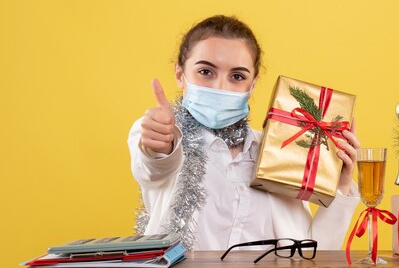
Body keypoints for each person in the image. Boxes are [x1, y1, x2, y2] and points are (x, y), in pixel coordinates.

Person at [128, 15, 361, 251]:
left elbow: (311, 253)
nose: (221, 86)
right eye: (206, 72)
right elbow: (155, 166)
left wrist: (340, 185)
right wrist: (161, 147)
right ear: (180, 74)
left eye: (237, 76)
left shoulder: (280, 154)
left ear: (253, 84)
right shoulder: (164, 135)